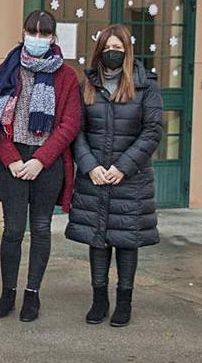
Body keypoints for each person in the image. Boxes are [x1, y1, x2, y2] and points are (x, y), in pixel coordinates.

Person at [0, 10, 81, 322]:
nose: (37, 38)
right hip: (11, 159)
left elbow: (70, 124)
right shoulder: (7, 68)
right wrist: (12, 159)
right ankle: (7, 293)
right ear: (23, 32)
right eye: (32, 32)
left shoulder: (66, 76)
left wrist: (40, 160)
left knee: (40, 228)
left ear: (52, 38)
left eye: (44, 33)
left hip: (47, 162)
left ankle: (32, 295)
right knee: (12, 229)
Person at [65, 24, 163, 327]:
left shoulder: (146, 86)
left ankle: (124, 300)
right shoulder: (86, 85)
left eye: (118, 49)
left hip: (130, 178)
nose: (112, 53)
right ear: (98, 50)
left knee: (126, 240)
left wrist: (122, 167)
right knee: (98, 239)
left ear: (127, 52)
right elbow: (75, 130)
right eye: (108, 47)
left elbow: (152, 131)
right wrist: (90, 165)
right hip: (94, 175)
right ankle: (99, 299)